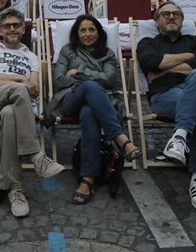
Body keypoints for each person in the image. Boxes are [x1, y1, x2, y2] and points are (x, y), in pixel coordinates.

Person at [0, 7, 63, 217]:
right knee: (19, 89)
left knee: (8, 114)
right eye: (7, 26)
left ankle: (16, 190)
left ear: (23, 29)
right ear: (0, 30)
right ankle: (36, 154)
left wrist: (9, 81)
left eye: (16, 25)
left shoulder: (31, 56)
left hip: (15, 106)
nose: (11, 29)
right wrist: (19, 80)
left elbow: (35, 88)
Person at [44, 15, 141, 204]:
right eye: (83, 30)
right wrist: (89, 81)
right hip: (71, 99)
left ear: (99, 32)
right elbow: (59, 80)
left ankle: (88, 178)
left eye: (92, 30)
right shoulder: (67, 51)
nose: (88, 34)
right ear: (76, 34)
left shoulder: (108, 54)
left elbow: (111, 80)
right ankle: (120, 138)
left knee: (89, 112)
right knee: (90, 87)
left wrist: (80, 73)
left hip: (101, 103)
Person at [136, 2, 196, 212]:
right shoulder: (147, 43)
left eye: (176, 14)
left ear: (181, 19)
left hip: (190, 91)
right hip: (164, 97)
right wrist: (189, 58)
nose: (171, 17)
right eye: (165, 14)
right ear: (156, 20)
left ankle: (179, 138)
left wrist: (163, 70)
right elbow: (151, 61)